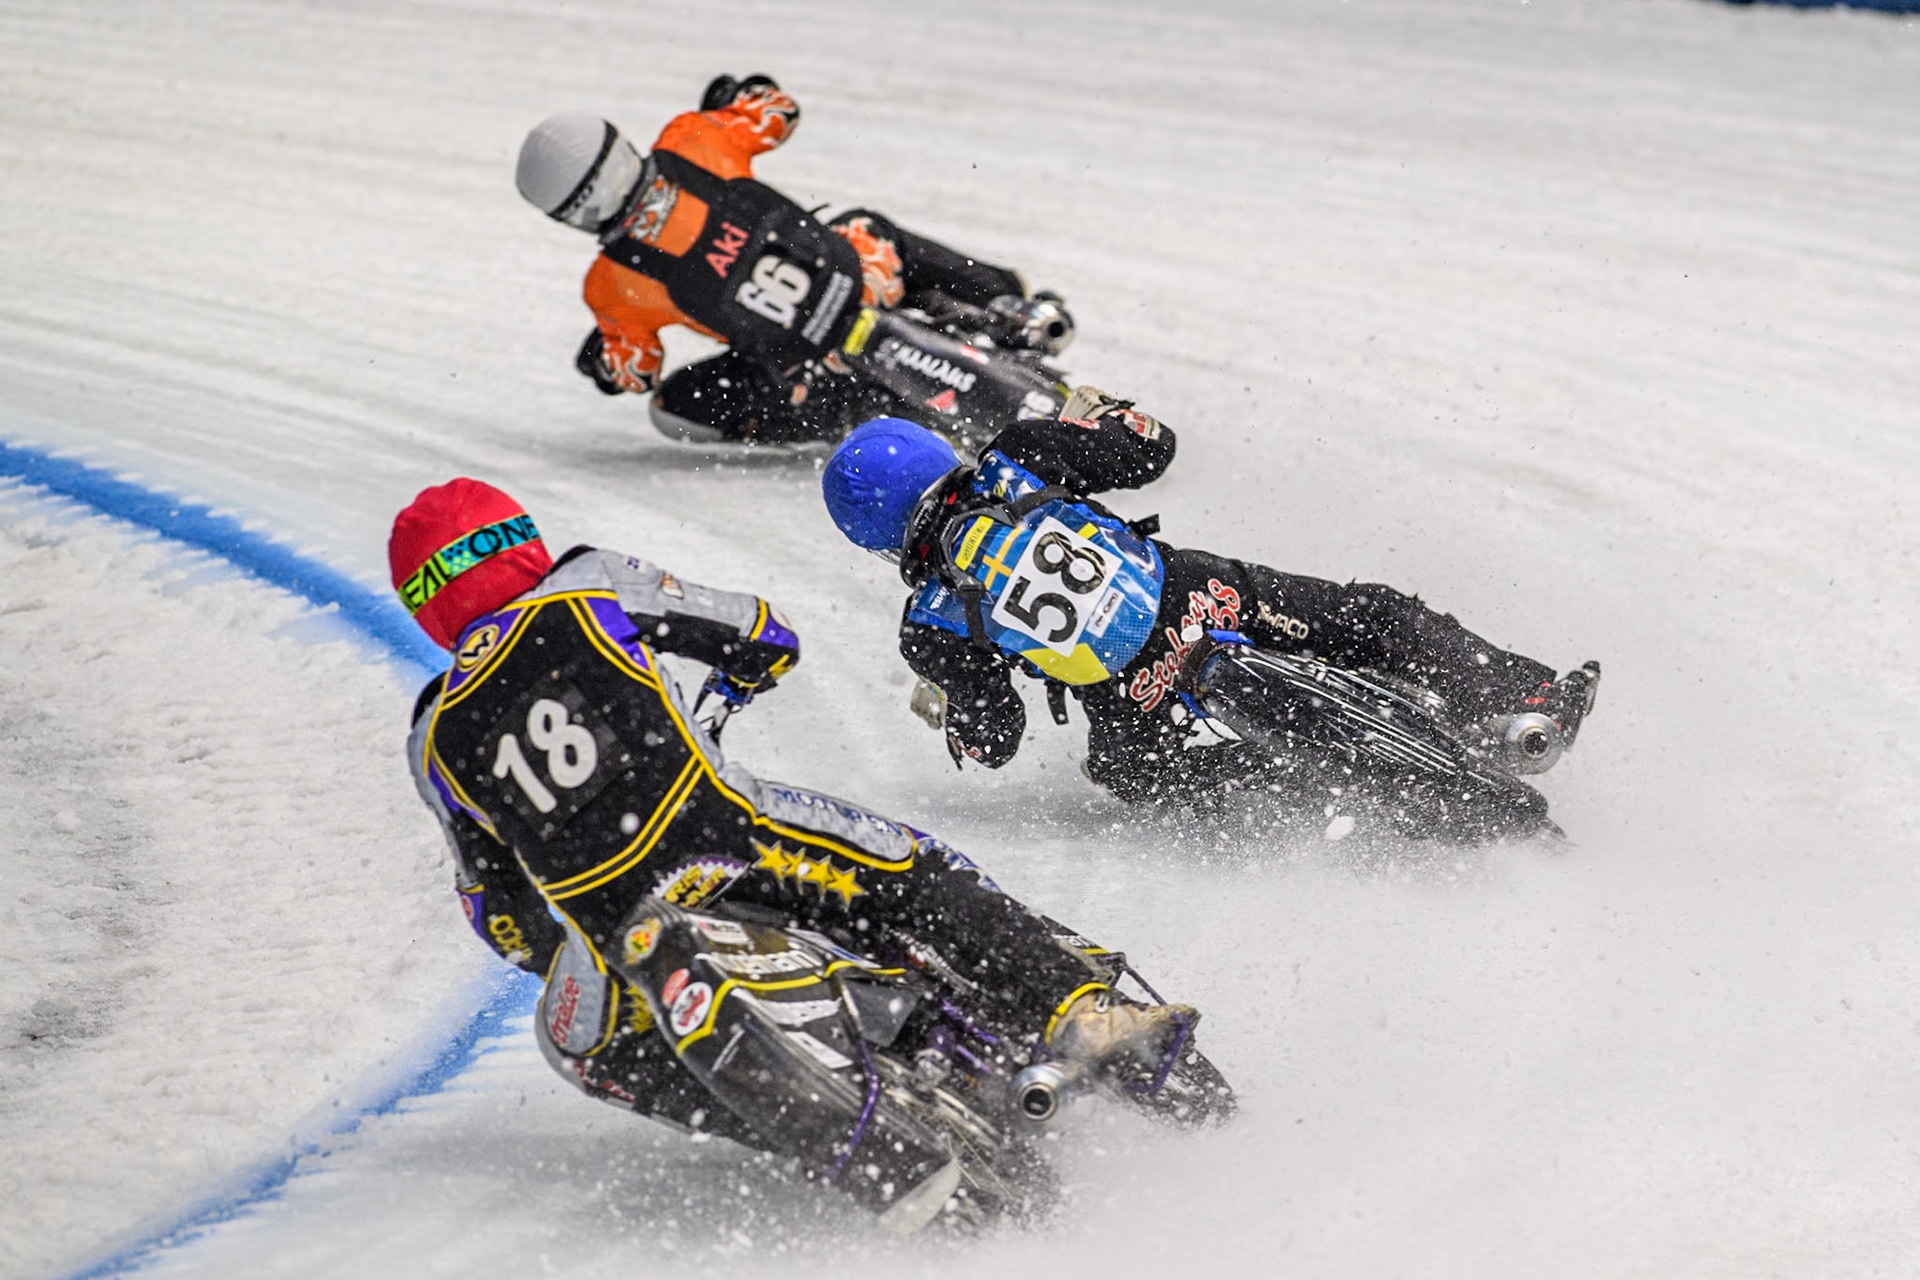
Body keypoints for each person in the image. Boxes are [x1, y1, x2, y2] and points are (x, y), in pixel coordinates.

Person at [393, 478, 1187, 1215]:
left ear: (423, 607)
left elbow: (495, 912)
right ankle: (1075, 1007)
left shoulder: (433, 732)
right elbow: (757, 629)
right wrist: (745, 671)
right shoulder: (584, 584)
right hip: (723, 837)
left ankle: (789, 1127)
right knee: (912, 869)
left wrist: (554, 943)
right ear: (521, 540)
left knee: (575, 1047)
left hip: (609, 927)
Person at [818, 395, 1602, 807]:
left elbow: (998, 739)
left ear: (875, 536)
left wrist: (960, 717)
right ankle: (1522, 696)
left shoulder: (927, 623)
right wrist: (1106, 415)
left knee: (1132, 779)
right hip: (1205, 596)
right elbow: (1152, 445)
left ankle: (1329, 799)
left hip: (1132, 697)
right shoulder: (1017, 458)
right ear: (934, 453)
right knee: (1372, 618)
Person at [515, 75, 1070, 444]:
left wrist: (605, 364)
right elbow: (777, 110)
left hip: (805, 370)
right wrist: (740, 94)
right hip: (863, 275)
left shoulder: (612, 285)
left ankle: (867, 418)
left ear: (569, 216)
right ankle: (1004, 298)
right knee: (866, 227)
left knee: (673, 407)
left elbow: (638, 373)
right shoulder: (693, 139)